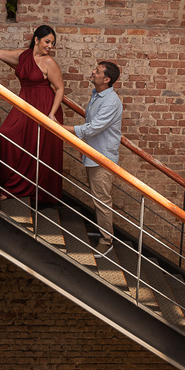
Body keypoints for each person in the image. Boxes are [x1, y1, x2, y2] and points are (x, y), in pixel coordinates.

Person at [0, 25, 65, 205]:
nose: (50, 46)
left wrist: (51, 114)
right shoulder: (22, 55)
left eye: (53, 43)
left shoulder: (48, 62)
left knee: (37, 148)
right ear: (36, 40)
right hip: (25, 102)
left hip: (44, 106)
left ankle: (23, 188)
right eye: (47, 41)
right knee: (6, 134)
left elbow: (60, 88)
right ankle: (14, 183)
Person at [64, 61, 122, 254]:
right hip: (93, 153)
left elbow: (94, 127)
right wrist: (84, 146)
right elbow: (91, 125)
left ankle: (107, 241)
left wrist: (63, 129)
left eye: (97, 72)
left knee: (102, 200)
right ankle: (103, 233)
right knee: (97, 198)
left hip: (102, 158)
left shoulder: (111, 101)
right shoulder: (97, 95)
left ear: (106, 79)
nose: (92, 72)